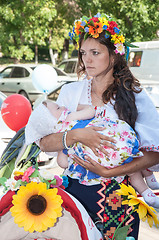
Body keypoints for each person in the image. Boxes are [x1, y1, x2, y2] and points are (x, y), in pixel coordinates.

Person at [26, 13, 159, 239]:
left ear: (114, 56)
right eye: (83, 53)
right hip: (74, 192)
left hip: (120, 198)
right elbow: (45, 142)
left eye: (95, 53)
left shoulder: (135, 96)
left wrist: (108, 171)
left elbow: (154, 154)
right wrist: (77, 135)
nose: (86, 60)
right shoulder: (70, 92)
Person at [26, 100, 159, 209]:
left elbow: (62, 163)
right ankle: (148, 184)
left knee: (127, 164)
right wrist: (79, 106)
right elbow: (91, 111)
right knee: (131, 156)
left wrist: (64, 148)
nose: (63, 106)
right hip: (115, 141)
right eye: (58, 107)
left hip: (101, 161)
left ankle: (147, 193)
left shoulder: (61, 136)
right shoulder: (70, 116)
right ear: (53, 120)